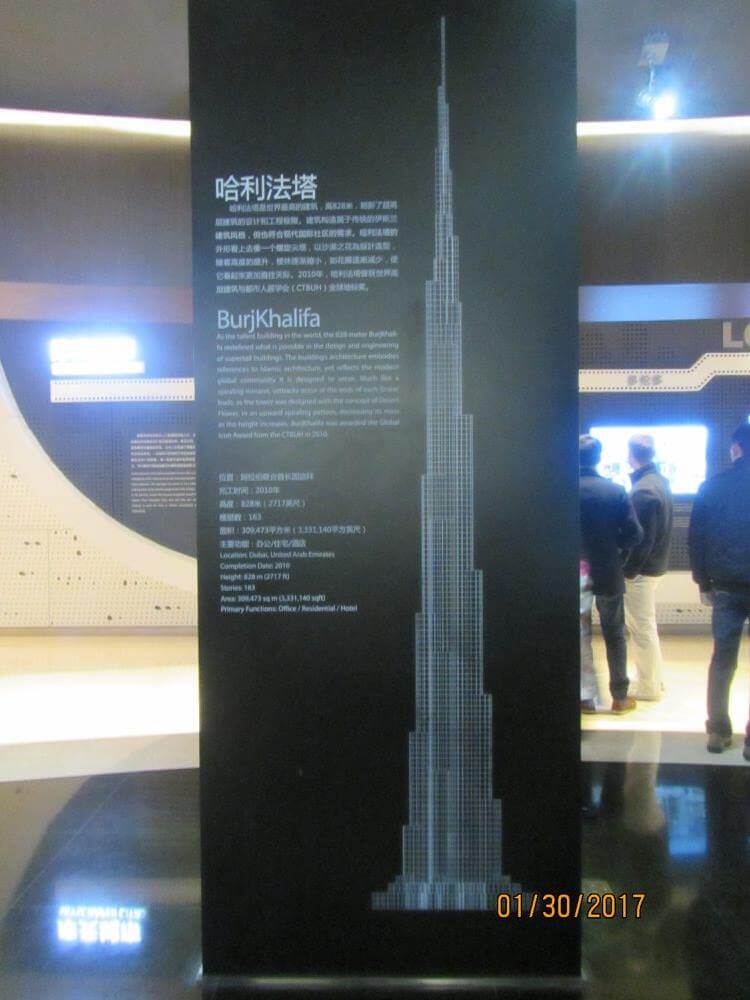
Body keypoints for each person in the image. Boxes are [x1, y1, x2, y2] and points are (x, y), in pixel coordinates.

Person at [688, 423, 750, 758]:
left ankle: (718, 731)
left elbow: (696, 538)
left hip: (725, 585)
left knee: (723, 659)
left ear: (736, 449)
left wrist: (702, 581)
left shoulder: (711, 486)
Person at [580, 434, 643, 713]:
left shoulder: (561, 490)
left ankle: (585, 698)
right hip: (608, 571)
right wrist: (615, 547)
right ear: (598, 458)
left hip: (575, 573)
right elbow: (634, 534)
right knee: (614, 633)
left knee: (579, 634)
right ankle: (619, 697)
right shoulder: (615, 491)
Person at [623, 434, 674, 701]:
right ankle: (653, 679)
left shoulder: (643, 490)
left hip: (641, 571)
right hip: (653, 566)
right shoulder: (660, 481)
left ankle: (648, 687)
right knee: (645, 626)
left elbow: (642, 540)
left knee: (641, 628)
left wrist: (629, 571)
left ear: (631, 456)